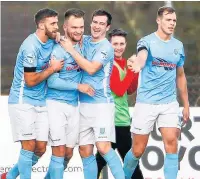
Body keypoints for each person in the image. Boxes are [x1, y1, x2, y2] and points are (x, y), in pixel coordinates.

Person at [123, 6, 190, 179]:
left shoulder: (178, 46)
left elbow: (180, 76)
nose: (172, 23)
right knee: (137, 150)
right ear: (158, 20)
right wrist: (138, 64)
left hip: (169, 103)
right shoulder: (146, 41)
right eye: (168, 20)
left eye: (174, 20)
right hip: (146, 103)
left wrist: (186, 105)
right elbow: (142, 56)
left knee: (172, 143)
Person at [60, 9, 125, 179]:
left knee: (103, 147)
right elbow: (69, 36)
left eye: (101, 24)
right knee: (84, 150)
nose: (97, 26)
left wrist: (71, 50)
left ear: (107, 27)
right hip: (82, 104)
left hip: (101, 106)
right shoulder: (85, 40)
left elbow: (91, 68)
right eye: (95, 22)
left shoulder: (106, 47)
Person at [0, 8, 64, 179]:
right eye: (53, 24)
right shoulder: (30, 46)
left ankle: (9, 176)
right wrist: (53, 68)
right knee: (28, 146)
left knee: (41, 148)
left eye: (56, 23)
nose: (56, 27)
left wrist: (60, 37)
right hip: (22, 101)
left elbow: (67, 43)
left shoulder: (52, 40)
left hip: (41, 102)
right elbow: (30, 81)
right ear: (42, 25)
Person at [44, 8, 94, 179]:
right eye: (74, 27)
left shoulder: (84, 43)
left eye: (81, 27)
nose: (78, 31)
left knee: (68, 154)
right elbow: (52, 81)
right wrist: (78, 86)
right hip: (55, 104)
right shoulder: (57, 49)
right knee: (58, 151)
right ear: (65, 27)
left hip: (74, 106)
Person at [95, 28, 144, 179]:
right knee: (130, 162)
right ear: (109, 45)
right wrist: (131, 70)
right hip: (111, 120)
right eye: (115, 43)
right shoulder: (108, 64)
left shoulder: (123, 63)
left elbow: (129, 89)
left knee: (101, 161)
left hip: (122, 119)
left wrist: (134, 70)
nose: (119, 47)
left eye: (121, 43)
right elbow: (119, 89)